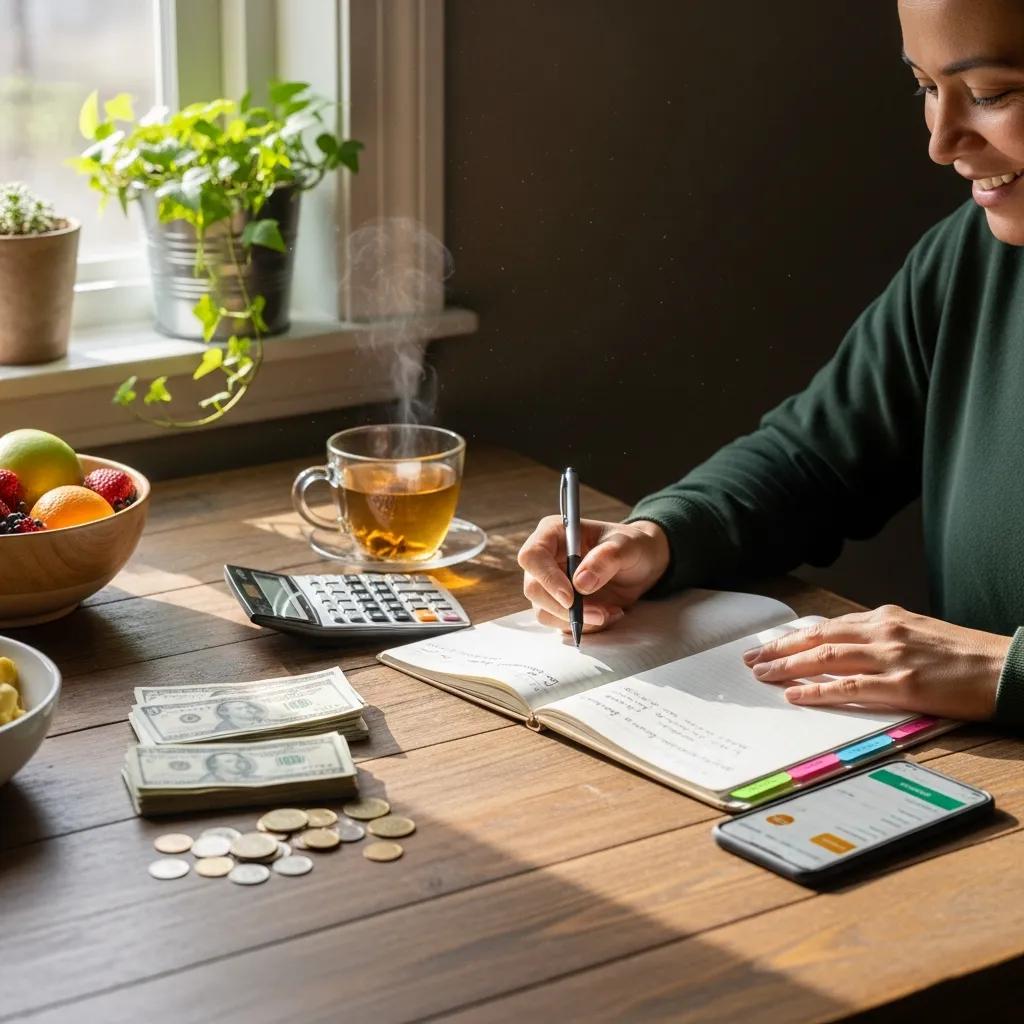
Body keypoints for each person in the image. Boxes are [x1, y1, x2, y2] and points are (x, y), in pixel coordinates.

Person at [519, 0, 1024, 726]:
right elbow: (812, 459)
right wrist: (660, 536)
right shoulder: (968, 260)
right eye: (924, 88)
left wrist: (1005, 669)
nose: (942, 143)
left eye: (989, 95)